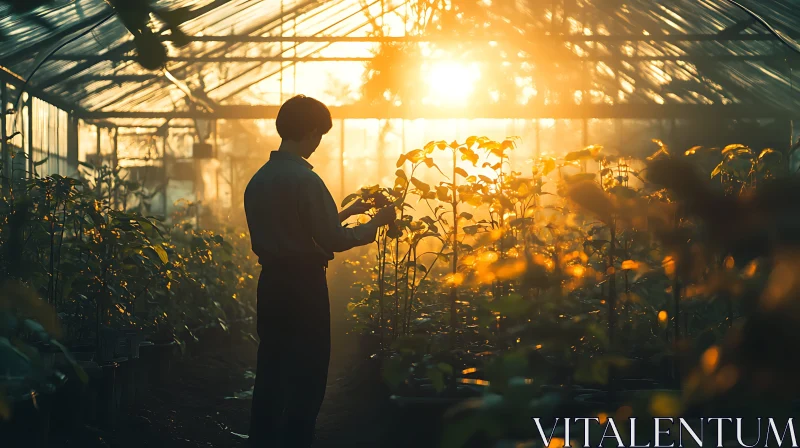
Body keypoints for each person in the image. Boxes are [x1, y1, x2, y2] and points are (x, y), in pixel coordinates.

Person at [244, 95, 396, 448]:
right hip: (304, 286)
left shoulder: (259, 181)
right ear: (311, 131)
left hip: (272, 284)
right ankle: (298, 437)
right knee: (309, 366)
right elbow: (331, 239)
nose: (318, 144)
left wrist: (345, 212)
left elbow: (297, 230)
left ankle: (263, 438)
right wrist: (375, 221)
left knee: (272, 365)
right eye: (320, 135)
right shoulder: (307, 181)